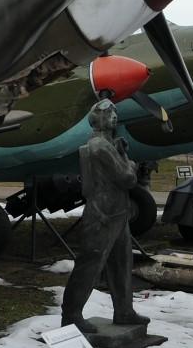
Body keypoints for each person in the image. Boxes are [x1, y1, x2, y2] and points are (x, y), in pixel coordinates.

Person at [61, 98, 149, 332]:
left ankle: (124, 311)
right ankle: (71, 314)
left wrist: (120, 153)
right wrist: (130, 162)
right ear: (97, 118)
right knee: (90, 264)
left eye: (115, 112)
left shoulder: (109, 144)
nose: (114, 116)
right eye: (109, 113)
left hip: (117, 212)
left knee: (122, 263)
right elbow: (127, 178)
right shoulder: (99, 146)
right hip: (102, 214)